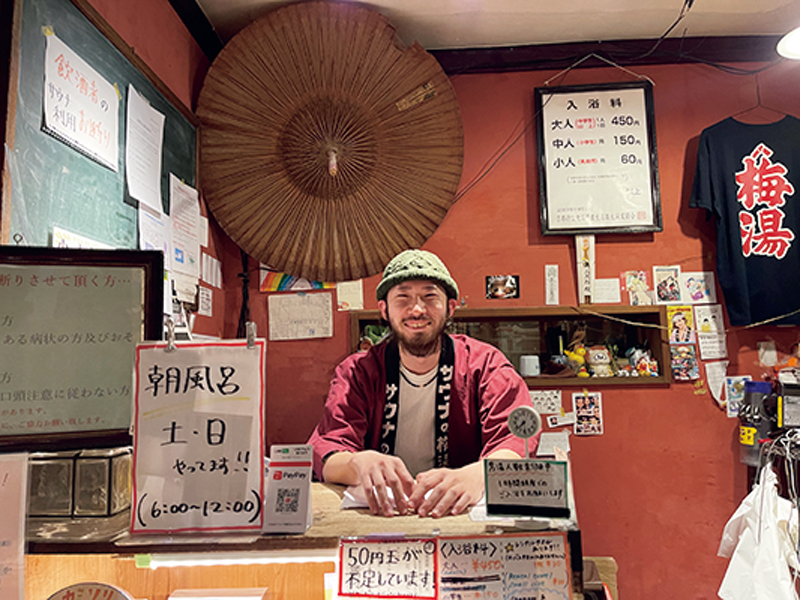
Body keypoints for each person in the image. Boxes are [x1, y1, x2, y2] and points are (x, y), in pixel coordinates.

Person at [308, 249, 536, 518]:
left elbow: (516, 439)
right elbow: (328, 449)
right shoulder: (357, 371)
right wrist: (358, 463)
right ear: (384, 310)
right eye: (403, 297)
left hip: (458, 516)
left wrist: (479, 475)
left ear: (450, 307)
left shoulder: (485, 365)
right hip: (379, 516)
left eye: (430, 297)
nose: (416, 309)